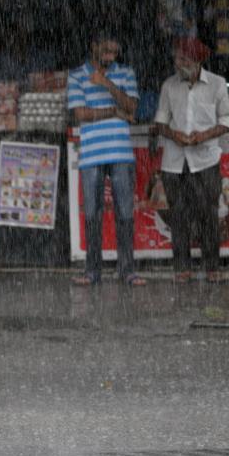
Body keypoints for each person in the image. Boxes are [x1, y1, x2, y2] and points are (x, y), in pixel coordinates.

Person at [153, 37, 229, 283]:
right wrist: (173, 134)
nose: (178, 63)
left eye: (183, 59)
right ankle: (182, 268)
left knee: (208, 215)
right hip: (174, 162)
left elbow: (227, 120)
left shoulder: (217, 85)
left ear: (197, 60)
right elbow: (160, 122)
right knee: (178, 215)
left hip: (205, 160)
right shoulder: (169, 85)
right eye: (177, 58)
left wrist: (205, 135)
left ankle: (212, 267)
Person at [67, 30, 146, 286]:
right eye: (106, 51)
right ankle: (92, 271)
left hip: (121, 152)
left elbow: (133, 108)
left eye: (114, 52)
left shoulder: (126, 73)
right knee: (92, 214)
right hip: (91, 154)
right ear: (94, 47)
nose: (110, 57)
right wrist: (114, 110)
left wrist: (107, 84)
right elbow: (80, 113)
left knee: (125, 213)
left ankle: (127, 270)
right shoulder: (76, 75)